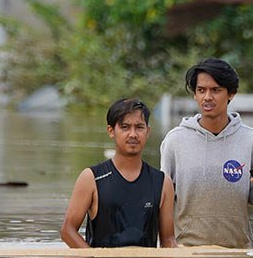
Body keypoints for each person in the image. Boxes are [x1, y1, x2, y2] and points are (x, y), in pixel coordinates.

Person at [159, 57, 253, 247]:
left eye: (216, 90)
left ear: (231, 94)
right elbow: (163, 200)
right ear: (195, 95)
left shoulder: (250, 139)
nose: (207, 97)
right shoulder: (175, 140)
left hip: (237, 251)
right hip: (187, 252)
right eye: (201, 90)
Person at [61, 98, 177, 248]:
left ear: (147, 131)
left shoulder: (162, 183)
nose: (133, 134)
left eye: (139, 127)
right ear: (111, 131)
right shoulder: (92, 178)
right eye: (125, 127)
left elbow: (168, 240)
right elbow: (67, 231)